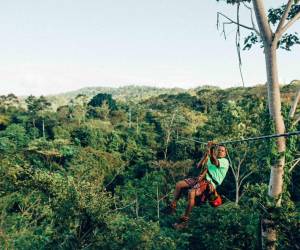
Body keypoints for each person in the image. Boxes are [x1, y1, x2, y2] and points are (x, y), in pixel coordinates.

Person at [165, 141, 229, 229]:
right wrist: (206, 153)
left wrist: (210, 149)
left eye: (222, 151)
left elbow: (215, 161)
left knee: (191, 193)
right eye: (219, 150)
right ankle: (173, 206)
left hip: (210, 183)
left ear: (225, 153)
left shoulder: (225, 162)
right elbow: (199, 166)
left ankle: (185, 221)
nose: (220, 152)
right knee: (179, 185)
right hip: (201, 179)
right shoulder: (210, 158)